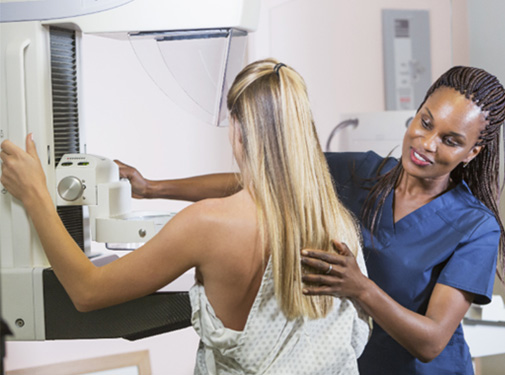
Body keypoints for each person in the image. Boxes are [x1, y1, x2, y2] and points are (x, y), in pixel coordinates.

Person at [115, 65, 505, 374]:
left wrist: (360, 288)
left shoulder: (475, 227)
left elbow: (431, 342)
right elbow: (259, 181)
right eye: (426, 122)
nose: (427, 143)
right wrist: (150, 187)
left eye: (451, 140)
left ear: (472, 152)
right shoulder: (361, 172)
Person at [0, 59, 369, 375]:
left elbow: (87, 292)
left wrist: (35, 196)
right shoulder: (338, 225)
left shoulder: (207, 225)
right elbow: (254, 189)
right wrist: (151, 187)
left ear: (238, 129)